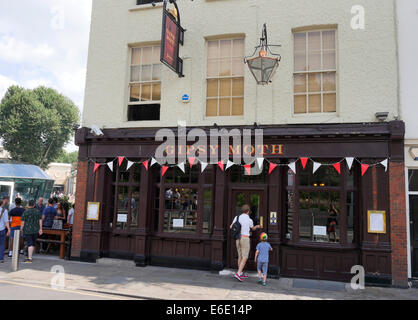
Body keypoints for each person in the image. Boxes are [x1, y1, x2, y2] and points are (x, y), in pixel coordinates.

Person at [230, 204, 261, 282]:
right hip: (245, 238)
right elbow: (252, 228)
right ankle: (238, 273)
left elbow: (231, 226)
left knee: (240, 256)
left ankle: (240, 273)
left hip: (237, 238)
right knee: (245, 257)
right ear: (248, 211)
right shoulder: (249, 220)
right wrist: (257, 226)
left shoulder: (237, 217)